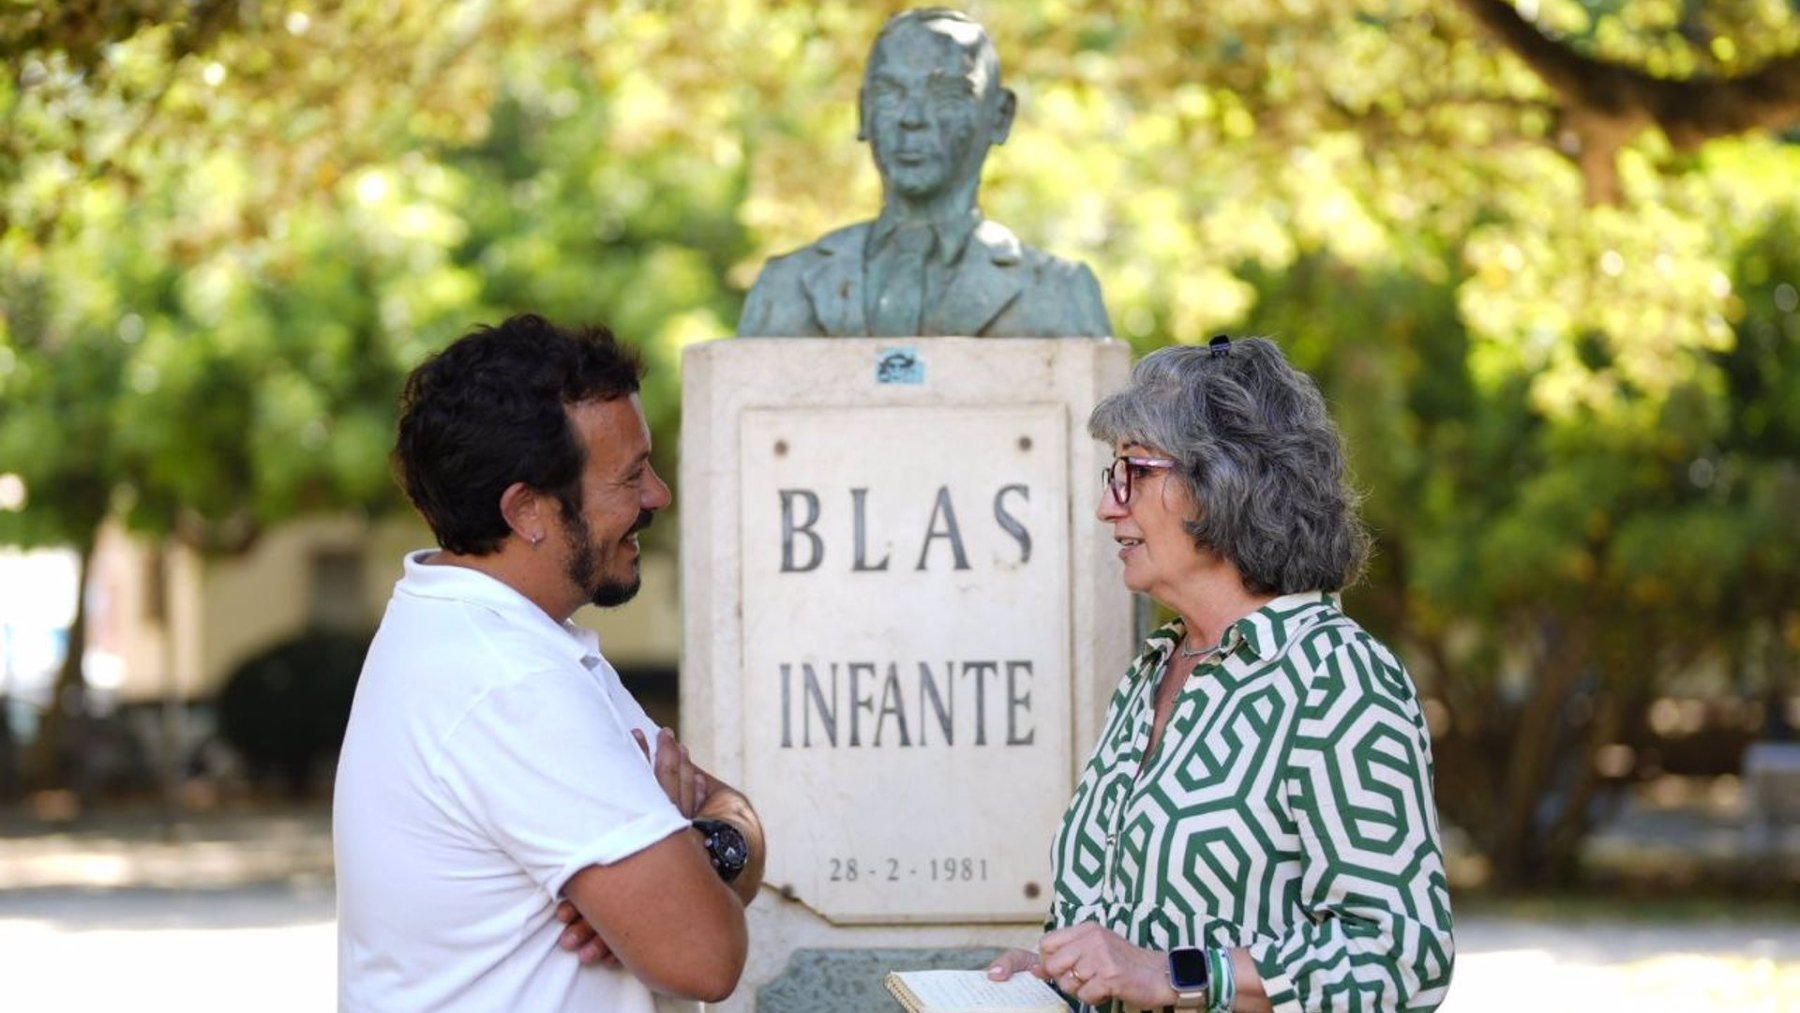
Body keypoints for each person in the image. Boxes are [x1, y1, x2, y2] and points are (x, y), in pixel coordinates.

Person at [987, 337, 1454, 1011]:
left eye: (1134, 472)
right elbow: (1129, 945)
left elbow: (1404, 959)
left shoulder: (1336, 679)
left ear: (1222, 482)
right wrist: (1059, 978)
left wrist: (1173, 973)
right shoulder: (1152, 672)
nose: (1107, 505)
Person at [334, 314, 766, 1011]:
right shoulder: (511, 680)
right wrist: (684, 867)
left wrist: (696, 842)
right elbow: (706, 956)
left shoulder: (484, 633)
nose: (658, 494)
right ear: (528, 509)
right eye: (630, 476)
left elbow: (725, 809)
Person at [736, 8, 1111, 339]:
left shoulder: (1061, 294)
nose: (912, 118)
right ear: (863, 112)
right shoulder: (784, 287)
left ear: (1000, 116)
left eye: (947, 94)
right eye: (889, 94)